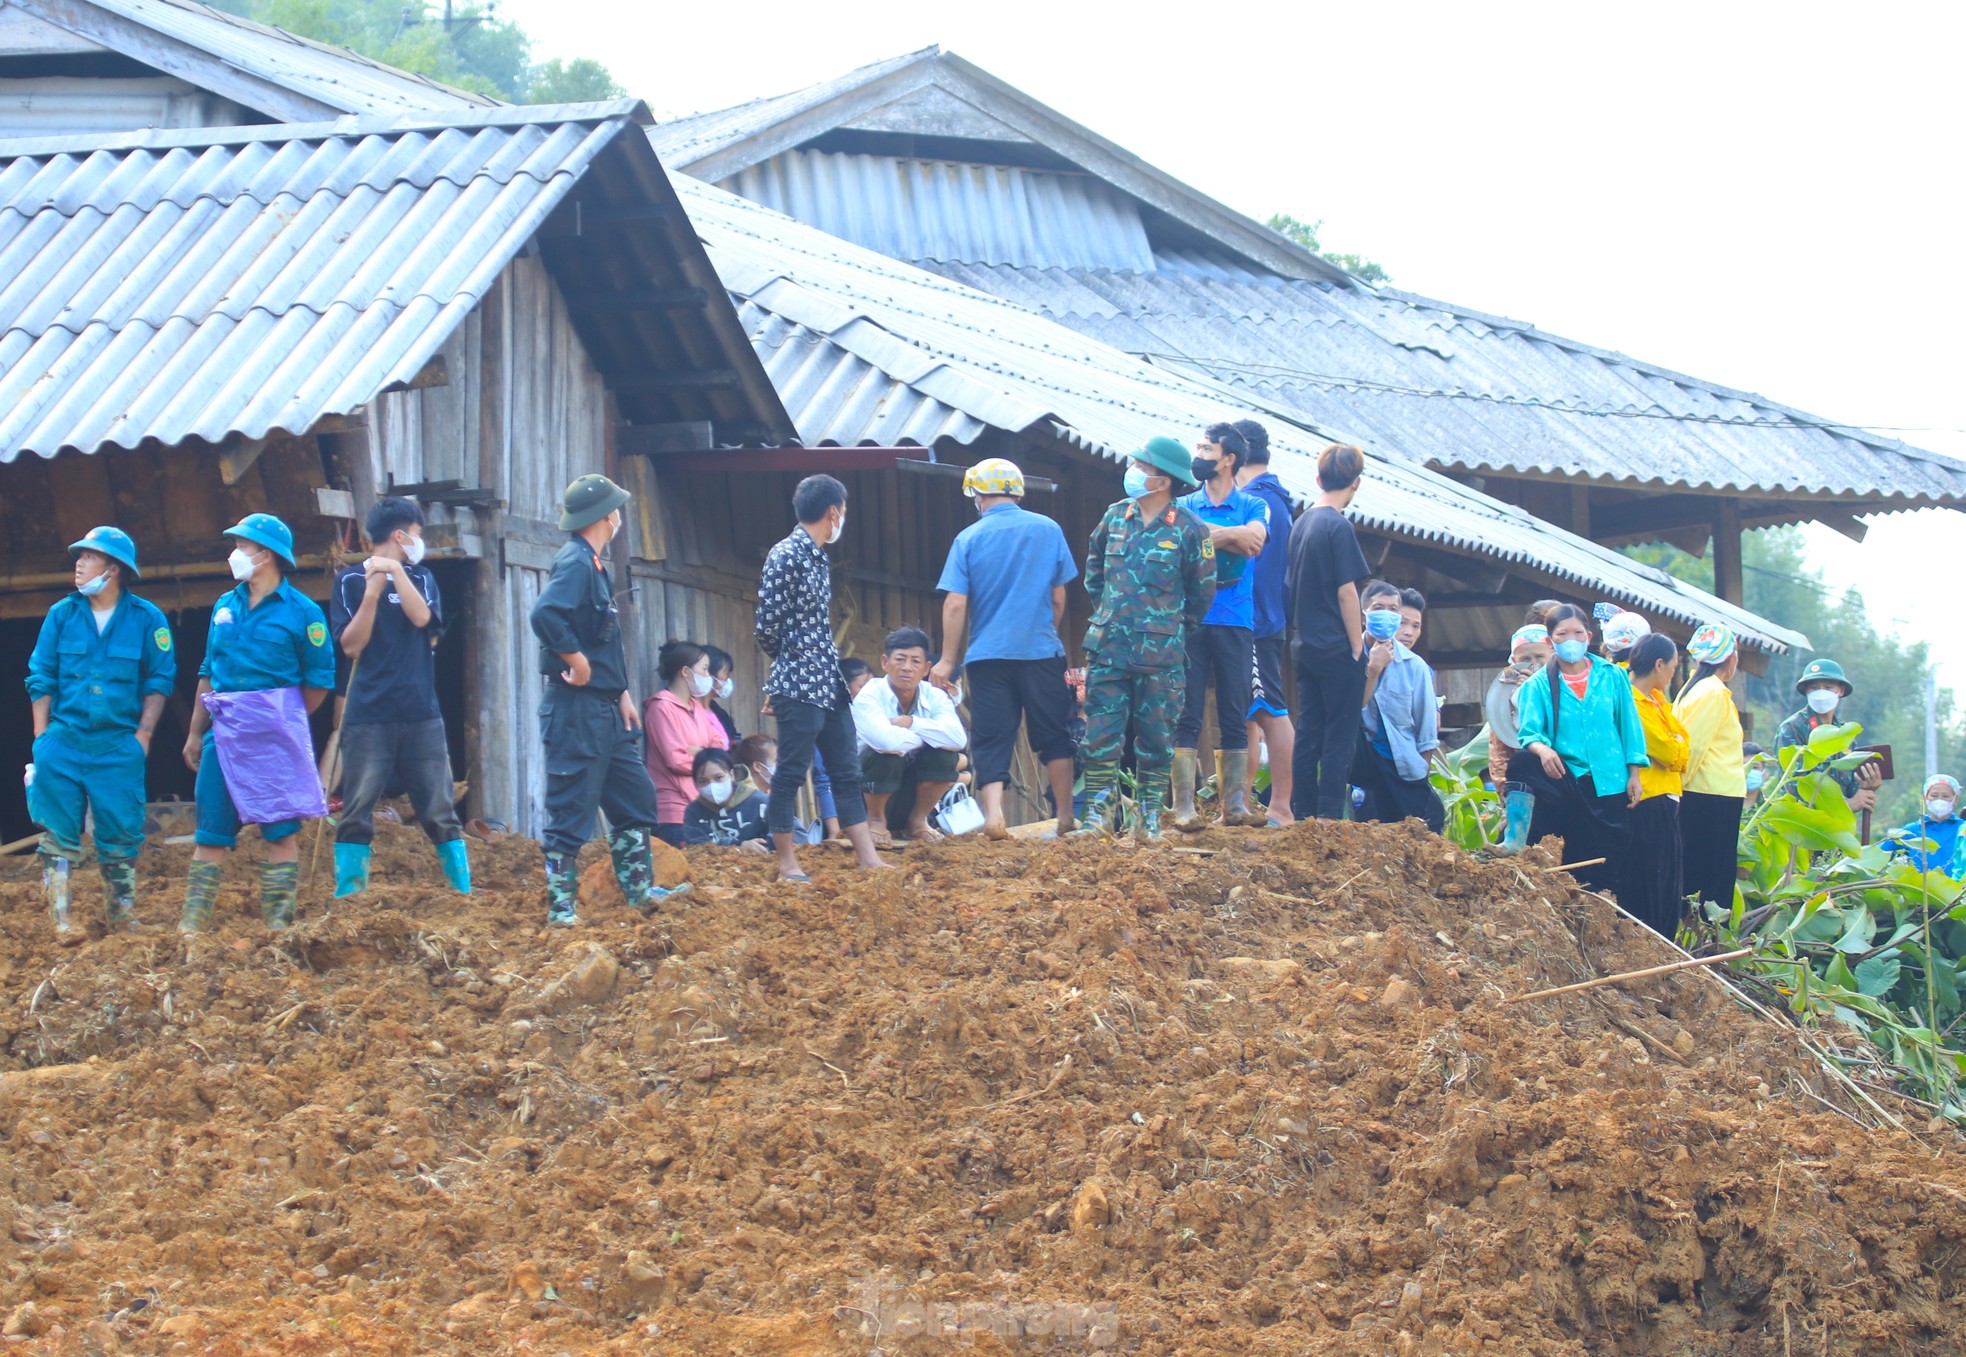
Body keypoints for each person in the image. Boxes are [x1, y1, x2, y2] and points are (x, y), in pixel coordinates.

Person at [179, 514, 335, 935]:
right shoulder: (224, 606)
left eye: (243, 546)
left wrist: (281, 721)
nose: (236, 553)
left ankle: (278, 929)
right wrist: (196, 731)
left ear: (266, 555)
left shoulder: (303, 613)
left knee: (280, 832)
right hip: (223, 733)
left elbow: (318, 682)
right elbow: (208, 672)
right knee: (210, 832)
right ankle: (191, 930)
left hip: (274, 739)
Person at [529, 474, 668, 927]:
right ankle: (561, 908)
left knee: (634, 797)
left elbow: (600, 639)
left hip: (607, 708)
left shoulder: (594, 564)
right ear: (608, 515)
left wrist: (621, 692)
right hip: (576, 710)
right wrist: (577, 662)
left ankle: (639, 890)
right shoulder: (575, 563)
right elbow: (545, 613)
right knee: (570, 807)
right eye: (618, 508)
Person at [24, 527, 175, 937]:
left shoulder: (146, 619)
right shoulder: (62, 614)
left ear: (113, 569)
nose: (78, 563)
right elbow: (41, 676)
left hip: (117, 745)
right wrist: (41, 737)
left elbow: (159, 681)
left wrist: (142, 738)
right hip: (64, 740)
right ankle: (62, 921)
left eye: (88, 557)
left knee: (121, 832)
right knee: (58, 833)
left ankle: (122, 918)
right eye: (80, 556)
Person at [328, 496, 469, 900]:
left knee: (440, 811)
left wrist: (395, 571)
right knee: (356, 810)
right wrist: (372, 593)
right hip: (368, 715)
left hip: (421, 714)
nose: (417, 543)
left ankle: (462, 894)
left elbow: (422, 618)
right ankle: (349, 896)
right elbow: (352, 646)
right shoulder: (350, 581)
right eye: (417, 534)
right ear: (399, 534)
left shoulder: (422, 579)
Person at [930, 457, 1079, 839]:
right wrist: (1044, 631)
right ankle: (1064, 815)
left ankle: (994, 816)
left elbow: (955, 603)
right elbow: (1058, 597)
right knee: (1054, 734)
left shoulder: (968, 538)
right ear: (1016, 492)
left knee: (992, 736)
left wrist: (947, 660)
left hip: (987, 656)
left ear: (979, 495)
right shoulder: (1048, 530)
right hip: (1041, 652)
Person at [1075, 436, 1215, 840]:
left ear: (1164, 480)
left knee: (1156, 741)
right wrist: (1113, 615)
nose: (1133, 472)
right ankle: (1098, 817)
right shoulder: (1115, 517)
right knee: (1100, 736)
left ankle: (1149, 819)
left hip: (1161, 655)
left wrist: (1166, 627)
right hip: (1108, 648)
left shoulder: (1190, 529)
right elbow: (1094, 572)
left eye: (1142, 466)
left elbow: (1201, 593)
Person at [754, 474, 889, 883]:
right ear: (833, 512)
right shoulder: (786, 554)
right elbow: (766, 628)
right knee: (792, 771)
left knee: (846, 769)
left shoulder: (816, 556)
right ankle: (786, 864)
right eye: (842, 513)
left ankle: (868, 858)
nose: (841, 519)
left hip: (828, 681)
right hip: (799, 683)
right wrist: (788, 673)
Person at [1507, 604, 1648, 898]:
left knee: (1612, 858)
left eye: (1577, 632)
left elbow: (1629, 725)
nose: (1571, 639)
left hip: (1610, 778)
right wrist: (1544, 751)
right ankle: (1514, 837)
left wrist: (1634, 772)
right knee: (1522, 763)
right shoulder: (1539, 685)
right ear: (1551, 640)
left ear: (1589, 635)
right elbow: (1529, 734)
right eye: (1562, 633)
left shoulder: (1612, 675)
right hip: (1570, 778)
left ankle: (1606, 915)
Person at [1171, 423, 1270, 830]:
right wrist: (1232, 536)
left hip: (1234, 619)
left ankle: (1235, 805)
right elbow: (1180, 540)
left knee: (1235, 710)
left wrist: (1209, 534)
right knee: (1186, 711)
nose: (1200, 454)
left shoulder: (1253, 504)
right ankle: (1183, 806)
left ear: (1228, 459)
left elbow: (1256, 542)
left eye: (1207, 448)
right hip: (1192, 617)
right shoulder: (1184, 502)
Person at [1286, 444, 1369, 821]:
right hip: (1336, 644)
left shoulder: (1301, 522)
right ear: (1356, 484)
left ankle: (1302, 810)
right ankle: (1330, 814)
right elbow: (1346, 592)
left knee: (1308, 728)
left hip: (1303, 642)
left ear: (1318, 480)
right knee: (1340, 733)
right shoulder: (1338, 525)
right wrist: (1357, 647)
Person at [1233, 420, 1297, 826]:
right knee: (1247, 713)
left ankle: (1282, 806)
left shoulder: (1258, 502)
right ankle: (1242, 803)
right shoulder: (1275, 498)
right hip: (1261, 616)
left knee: (1269, 708)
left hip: (1255, 618)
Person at [855, 626, 968, 844]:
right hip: (866, 791)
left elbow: (958, 739)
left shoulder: (935, 696)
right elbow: (885, 742)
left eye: (915, 661)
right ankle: (876, 821)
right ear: (885, 663)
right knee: (886, 755)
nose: (907, 668)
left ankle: (917, 822)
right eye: (900, 659)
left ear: (926, 668)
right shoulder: (869, 694)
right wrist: (928, 737)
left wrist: (912, 723)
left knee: (945, 757)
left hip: (909, 792)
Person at [1352, 586, 1442, 830]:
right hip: (1358, 757)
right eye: (1378, 608)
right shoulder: (1348, 656)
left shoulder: (1415, 666)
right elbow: (1346, 713)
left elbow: (1427, 732)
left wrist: (1419, 775)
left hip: (1398, 761)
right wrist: (1373, 671)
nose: (1386, 615)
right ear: (1363, 616)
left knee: (1425, 822)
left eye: (1393, 610)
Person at [1677, 624, 1748, 911]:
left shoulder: (1691, 689)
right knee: (1711, 879)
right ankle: (1707, 941)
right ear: (1731, 658)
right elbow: (1693, 747)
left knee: (1695, 870)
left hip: (1703, 791)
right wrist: (1677, 788)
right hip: (1711, 794)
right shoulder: (1712, 693)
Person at [1625, 633, 1690, 937]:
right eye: (1674, 668)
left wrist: (1676, 748)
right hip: (1649, 798)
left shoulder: (1658, 700)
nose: (1673, 674)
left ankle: (1665, 943)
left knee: (1670, 882)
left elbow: (1683, 744)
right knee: (1652, 877)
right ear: (1660, 664)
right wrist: (1676, 748)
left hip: (1668, 795)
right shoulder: (1632, 702)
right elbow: (1668, 750)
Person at [643, 640, 730, 847]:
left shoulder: (696, 707)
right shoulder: (661, 708)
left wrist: (697, 752)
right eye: (705, 670)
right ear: (685, 672)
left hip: (700, 805)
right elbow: (676, 760)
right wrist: (706, 755)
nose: (708, 677)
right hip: (673, 812)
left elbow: (720, 748)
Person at [1774, 658, 1883, 814]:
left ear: (1841, 690)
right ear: (1806, 691)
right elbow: (1795, 788)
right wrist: (1846, 805)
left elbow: (1851, 787)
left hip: (1836, 828)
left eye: (1828, 687)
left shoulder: (1844, 733)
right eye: (1814, 688)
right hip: (1801, 825)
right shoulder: (1793, 727)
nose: (1821, 693)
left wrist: (1867, 785)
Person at [1489, 624, 1552, 799]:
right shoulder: (1504, 693)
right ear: (1514, 661)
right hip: (1523, 781)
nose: (1533, 663)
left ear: (1552, 656)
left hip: (1560, 773)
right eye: (1526, 658)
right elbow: (1499, 751)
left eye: (1540, 657)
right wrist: (1505, 793)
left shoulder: (1565, 688)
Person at [682, 748, 770, 853]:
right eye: (703, 781)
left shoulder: (760, 802)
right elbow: (696, 849)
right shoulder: (694, 812)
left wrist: (763, 846)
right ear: (695, 784)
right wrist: (737, 846)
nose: (711, 786)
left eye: (718, 777)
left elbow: (789, 831)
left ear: (732, 775)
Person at [1886, 775, 1966, 877]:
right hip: (1920, 890)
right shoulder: (1911, 830)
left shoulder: (1963, 829)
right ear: (1925, 798)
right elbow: (1880, 853)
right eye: (1934, 795)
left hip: (1958, 891)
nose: (1939, 800)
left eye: (1945, 796)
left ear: (1955, 799)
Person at [702, 644, 742, 744]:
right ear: (709, 672)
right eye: (726, 673)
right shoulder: (691, 710)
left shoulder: (719, 711)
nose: (728, 679)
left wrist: (745, 745)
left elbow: (736, 737)